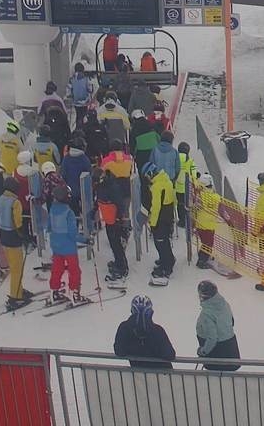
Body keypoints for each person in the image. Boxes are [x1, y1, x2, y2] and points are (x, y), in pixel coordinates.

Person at [99, 143, 134, 284]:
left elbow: (102, 172)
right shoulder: (129, 159)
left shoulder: (106, 161)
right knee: (125, 214)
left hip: (112, 196)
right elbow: (130, 172)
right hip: (126, 191)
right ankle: (125, 232)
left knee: (114, 229)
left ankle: (121, 262)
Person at [46, 185, 87, 305]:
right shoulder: (69, 213)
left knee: (57, 269)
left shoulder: (52, 209)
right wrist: (85, 240)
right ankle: (75, 294)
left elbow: (48, 227)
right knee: (74, 270)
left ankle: (54, 291)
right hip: (68, 247)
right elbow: (73, 234)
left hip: (56, 245)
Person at [0, 179, 32, 310]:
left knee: (13, 266)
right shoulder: (15, 203)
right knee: (17, 269)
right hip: (14, 237)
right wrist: (25, 237)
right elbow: (18, 222)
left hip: (3, 236)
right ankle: (15, 297)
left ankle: (19, 290)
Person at [114, 296, 176, 370]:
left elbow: (119, 351)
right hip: (162, 374)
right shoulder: (157, 331)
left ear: (132, 311)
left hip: (138, 374)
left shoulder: (125, 328)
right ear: (150, 312)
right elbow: (170, 355)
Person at [196, 280, 240, 370]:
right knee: (229, 375)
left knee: (216, 376)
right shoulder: (224, 304)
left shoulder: (206, 314)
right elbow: (232, 321)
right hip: (230, 345)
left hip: (217, 351)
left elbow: (212, 338)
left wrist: (203, 351)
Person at [147, 165, 179, 284]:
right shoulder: (167, 180)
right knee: (165, 240)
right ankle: (168, 259)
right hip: (168, 214)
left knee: (160, 242)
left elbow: (156, 207)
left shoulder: (156, 187)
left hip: (160, 217)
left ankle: (166, 267)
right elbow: (174, 199)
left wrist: (153, 223)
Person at [192, 172, 223, 269]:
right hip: (209, 225)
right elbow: (222, 211)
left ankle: (203, 255)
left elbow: (195, 208)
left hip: (200, 224)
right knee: (208, 244)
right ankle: (202, 261)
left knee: (204, 242)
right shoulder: (216, 197)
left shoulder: (199, 195)